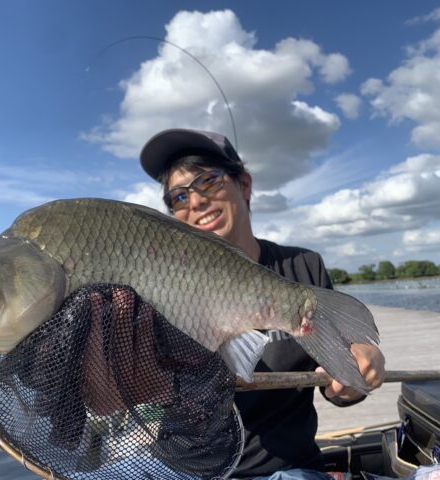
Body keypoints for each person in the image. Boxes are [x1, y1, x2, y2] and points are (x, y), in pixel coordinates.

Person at [139, 128, 386, 480]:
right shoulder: (158, 284)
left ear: (245, 185)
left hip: (284, 470)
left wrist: (357, 370)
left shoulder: (303, 268)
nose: (195, 202)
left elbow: (339, 388)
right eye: (178, 197)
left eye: (208, 181)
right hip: (182, 468)